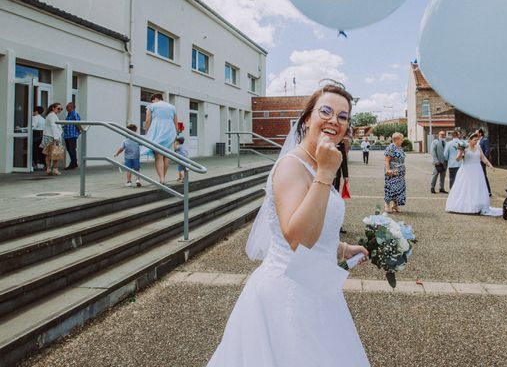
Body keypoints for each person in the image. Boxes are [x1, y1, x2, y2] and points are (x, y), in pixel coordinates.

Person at [207, 85, 370, 366]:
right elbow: (297, 239)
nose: (334, 121)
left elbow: (316, 223)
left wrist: (342, 248)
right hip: (286, 295)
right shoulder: (292, 167)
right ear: (307, 119)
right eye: (326, 111)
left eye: (343, 117)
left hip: (316, 289)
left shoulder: (316, 161)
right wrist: (326, 172)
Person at [445, 133, 501, 216]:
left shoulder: (478, 147)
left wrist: (490, 165)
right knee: (466, 188)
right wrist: (460, 152)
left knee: (477, 188)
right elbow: (458, 159)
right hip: (466, 170)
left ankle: (477, 205)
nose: (476, 142)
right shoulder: (464, 147)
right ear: (470, 140)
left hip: (477, 170)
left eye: (477, 140)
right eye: (475, 140)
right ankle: (465, 206)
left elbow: (483, 158)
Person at [143, 93, 178, 185]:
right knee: (167, 157)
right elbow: (176, 122)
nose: (152, 102)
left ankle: (162, 178)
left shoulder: (151, 106)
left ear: (155, 99)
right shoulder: (172, 107)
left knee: (159, 157)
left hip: (158, 131)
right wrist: (176, 135)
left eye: (152, 100)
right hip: (170, 132)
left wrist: (146, 133)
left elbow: (147, 121)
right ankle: (163, 178)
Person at [384, 132, 406, 213]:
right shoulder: (391, 147)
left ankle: (395, 205)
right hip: (392, 171)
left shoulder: (400, 148)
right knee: (391, 188)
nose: (402, 140)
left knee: (399, 189)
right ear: (396, 139)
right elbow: (387, 159)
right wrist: (388, 169)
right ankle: (387, 204)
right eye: (401, 139)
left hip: (400, 172)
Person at [42, 103, 64, 175]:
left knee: (49, 153)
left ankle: (49, 168)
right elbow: (53, 126)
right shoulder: (52, 116)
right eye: (58, 108)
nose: (60, 110)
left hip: (48, 135)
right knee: (56, 153)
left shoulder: (50, 115)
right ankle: (54, 169)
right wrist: (56, 137)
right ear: (53, 108)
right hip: (52, 136)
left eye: (61, 109)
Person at [477, 128, 492, 196]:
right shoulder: (477, 140)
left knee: (483, 175)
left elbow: (487, 150)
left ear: (480, 133)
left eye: (476, 133)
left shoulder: (484, 140)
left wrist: (484, 159)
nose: (475, 134)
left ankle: (488, 191)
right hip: (476, 161)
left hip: (482, 161)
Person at [32, 106, 46, 171]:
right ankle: (42, 164)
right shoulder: (43, 119)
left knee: (34, 150)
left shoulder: (35, 117)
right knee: (40, 151)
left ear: (36, 111)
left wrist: (22, 129)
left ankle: (35, 165)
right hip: (42, 135)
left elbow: (32, 127)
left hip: (35, 135)